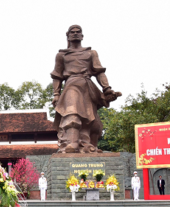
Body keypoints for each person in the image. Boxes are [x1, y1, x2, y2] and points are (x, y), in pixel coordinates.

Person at [51, 25, 121, 153]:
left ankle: (86, 144)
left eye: (78, 32)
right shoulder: (61, 55)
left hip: (87, 86)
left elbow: (99, 72)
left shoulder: (91, 53)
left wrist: (106, 88)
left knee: (91, 120)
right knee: (72, 112)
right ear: (68, 36)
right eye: (72, 32)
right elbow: (57, 76)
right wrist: (56, 94)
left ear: (82, 36)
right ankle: (72, 143)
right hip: (71, 85)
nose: (75, 34)